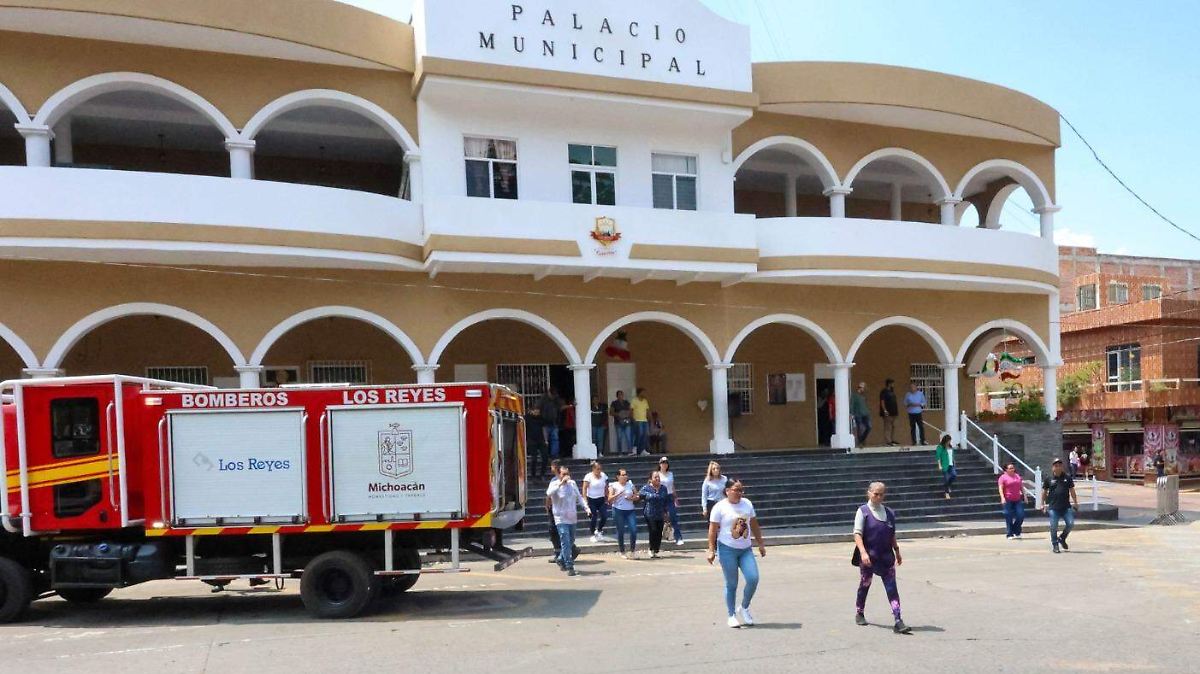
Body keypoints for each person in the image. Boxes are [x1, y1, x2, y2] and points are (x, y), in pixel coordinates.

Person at [706, 479, 766, 628]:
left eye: (741, 490)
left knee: (753, 578)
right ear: (727, 491)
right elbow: (712, 530)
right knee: (732, 583)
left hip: (745, 549)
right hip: (727, 549)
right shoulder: (719, 507)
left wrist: (760, 543)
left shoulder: (747, 504)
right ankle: (731, 615)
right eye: (736, 490)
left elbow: (754, 524)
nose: (739, 493)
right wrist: (711, 550)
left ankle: (744, 607)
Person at [853, 481, 910, 634]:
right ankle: (859, 612)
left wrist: (897, 551)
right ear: (869, 493)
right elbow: (857, 534)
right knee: (865, 584)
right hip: (869, 556)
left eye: (881, 494)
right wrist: (863, 552)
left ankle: (898, 620)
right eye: (876, 494)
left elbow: (891, 534)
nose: (878, 497)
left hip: (886, 557)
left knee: (892, 588)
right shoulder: (863, 511)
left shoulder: (889, 513)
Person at [546, 465, 591, 576]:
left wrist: (587, 508)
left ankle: (561, 558)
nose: (566, 476)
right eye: (563, 474)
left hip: (572, 517)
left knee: (571, 541)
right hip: (560, 518)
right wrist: (561, 483)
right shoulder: (554, 484)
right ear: (559, 475)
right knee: (565, 541)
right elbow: (549, 493)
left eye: (567, 474)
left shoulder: (572, 484)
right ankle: (569, 566)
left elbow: (579, 497)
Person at [1041, 458, 1079, 554]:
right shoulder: (1048, 479)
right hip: (1053, 507)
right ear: (1052, 467)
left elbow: (1072, 491)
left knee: (1070, 524)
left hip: (1066, 507)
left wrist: (1075, 502)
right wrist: (1042, 504)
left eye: (1060, 466)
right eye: (1056, 466)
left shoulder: (1067, 478)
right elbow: (1044, 492)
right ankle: (1055, 544)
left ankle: (1062, 538)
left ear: (1062, 467)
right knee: (1054, 526)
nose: (1058, 467)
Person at [543, 459, 577, 564]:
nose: (551, 468)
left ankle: (565, 553)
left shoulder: (560, 481)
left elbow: (549, 495)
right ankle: (563, 554)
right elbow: (549, 493)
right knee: (558, 532)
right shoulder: (554, 480)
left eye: (552, 466)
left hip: (560, 510)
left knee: (556, 531)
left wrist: (547, 504)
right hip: (557, 509)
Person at [637, 470, 669, 558]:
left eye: (658, 477)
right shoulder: (646, 488)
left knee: (659, 532)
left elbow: (665, 500)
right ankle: (651, 549)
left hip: (660, 513)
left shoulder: (663, 488)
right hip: (650, 513)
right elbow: (640, 493)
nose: (657, 478)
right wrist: (650, 495)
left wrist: (666, 512)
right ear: (651, 479)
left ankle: (656, 549)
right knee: (653, 530)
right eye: (655, 477)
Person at [607, 468, 638, 558]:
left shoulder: (630, 484)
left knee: (633, 530)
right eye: (623, 475)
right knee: (621, 531)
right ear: (618, 476)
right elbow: (609, 499)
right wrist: (618, 494)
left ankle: (632, 551)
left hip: (630, 510)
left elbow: (637, 495)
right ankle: (622, 551)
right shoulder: (613, 485)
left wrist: (631, 498)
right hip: (618, 510)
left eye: (626, 475)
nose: (625, 476)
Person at [656, 457, 684, 545]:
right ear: (660, 464)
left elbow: (672, 486)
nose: (664, 464)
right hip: (660, 497)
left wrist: (675, 497)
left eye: (666, 463)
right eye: (662, 463)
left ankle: (678, 537)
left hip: (669, 496)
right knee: (660, 518)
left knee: (673, 516)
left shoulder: (670, 474)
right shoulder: (657, 474)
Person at [582, 461, 609, 542]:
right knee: (594, 517)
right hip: (591, 499)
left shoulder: (603, 475)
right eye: (597, 469)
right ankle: (592, 534)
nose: (599, 471)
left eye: (600, 469)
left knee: (604, 516)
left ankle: (599, 530)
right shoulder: (588, 476)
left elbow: (606, 487)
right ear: (593, 469)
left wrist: (607, 497)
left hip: (601, 499)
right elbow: (584, 489)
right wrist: (585, 501)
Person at [997, 463, 1026, 539]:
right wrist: (1002, 498)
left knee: (1021, 515)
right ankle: (1009, 534)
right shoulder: (1003, 477)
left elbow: (1021, 486)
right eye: (1010, 468)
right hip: (1008, 499)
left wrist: (1025, 496)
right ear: (1006, 470)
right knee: (1008, 516)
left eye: (1013, 468)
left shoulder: (1017, 476)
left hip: (1017, 499)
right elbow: (1000, 488)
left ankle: (1016, 530)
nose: (1012, 469)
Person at [537, 387, 563, 459]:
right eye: (552, 395)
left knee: (555, 439)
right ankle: (544, 455)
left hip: (553, 423)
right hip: (544, 424)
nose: (553, 397)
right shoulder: (543, 399)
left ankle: (554, 455)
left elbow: (560, 407)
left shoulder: (556, 400)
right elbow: (537, 409)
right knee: (545, 441)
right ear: (549, 393)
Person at [525, 407, 549, 478]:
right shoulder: (527, 418)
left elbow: (544, 428)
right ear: (532, 411)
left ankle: (542, 474)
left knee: (545, 457)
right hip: (531, 441)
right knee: (534, 458)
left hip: (541, 440)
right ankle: (533, 475)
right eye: (535, 411)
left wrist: (546, 440)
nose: (537, 413)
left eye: (538, 412)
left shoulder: (541, 418)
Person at [610, 390, 633, 455]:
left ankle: (630, 451)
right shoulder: (614, 403)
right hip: (618, 423)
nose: (620, 396)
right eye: (619, 395)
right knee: (619, 438)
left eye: (621, 394)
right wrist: (619, 414)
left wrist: (626, 414)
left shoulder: (626, 402)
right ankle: (620, 453)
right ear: (617, 396)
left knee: (628, 437)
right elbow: (611, 412)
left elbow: (630, 411)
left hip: (627, 422)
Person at [631, 388, 651, 455]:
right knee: (639, 435)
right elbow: (631, 410)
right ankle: (635, 449)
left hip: (644, 420)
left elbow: (647, 410)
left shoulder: (645, 401)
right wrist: (633, 419)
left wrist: (649, 418)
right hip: (637, 420)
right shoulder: (634, 400)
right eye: (643, 392)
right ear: (639, 393)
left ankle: (642, 450)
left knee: (644, 435)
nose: (645, 394)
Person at [935, 434, 956, 499]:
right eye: (948, 441)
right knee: (946, 478)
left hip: (951, 464)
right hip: (944, 465)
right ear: (945, 440)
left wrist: (954, 461)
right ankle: (947, 493)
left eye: (950, 441)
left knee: (954, 475)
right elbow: (938, 456)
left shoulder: (950, 446)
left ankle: (948, 486)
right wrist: (939, 465)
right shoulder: (940, 447)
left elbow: (952, 455)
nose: (949, 442)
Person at [879, 379, 899, 447]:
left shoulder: (892, 391)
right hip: (888, 412)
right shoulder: (884, 391)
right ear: (889, 384)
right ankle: (888, 441)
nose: (893, 385)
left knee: (893, 426)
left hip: (894, 412)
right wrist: (885, 410)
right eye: (892, 384)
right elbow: (882, 401)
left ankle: (892, 439)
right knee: (888, 427)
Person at [851, 382, 871, 446]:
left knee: (869, 427)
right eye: (863, 388)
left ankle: (861, 440)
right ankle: (860, 442)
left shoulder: (863, 396)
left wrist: (867, 412)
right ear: (860, 388)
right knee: (859, 428)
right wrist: (852, 413)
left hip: (865, 414)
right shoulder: (854, 395)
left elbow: (865, 405)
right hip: (858, 414)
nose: (864, 390)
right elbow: (852, 404)